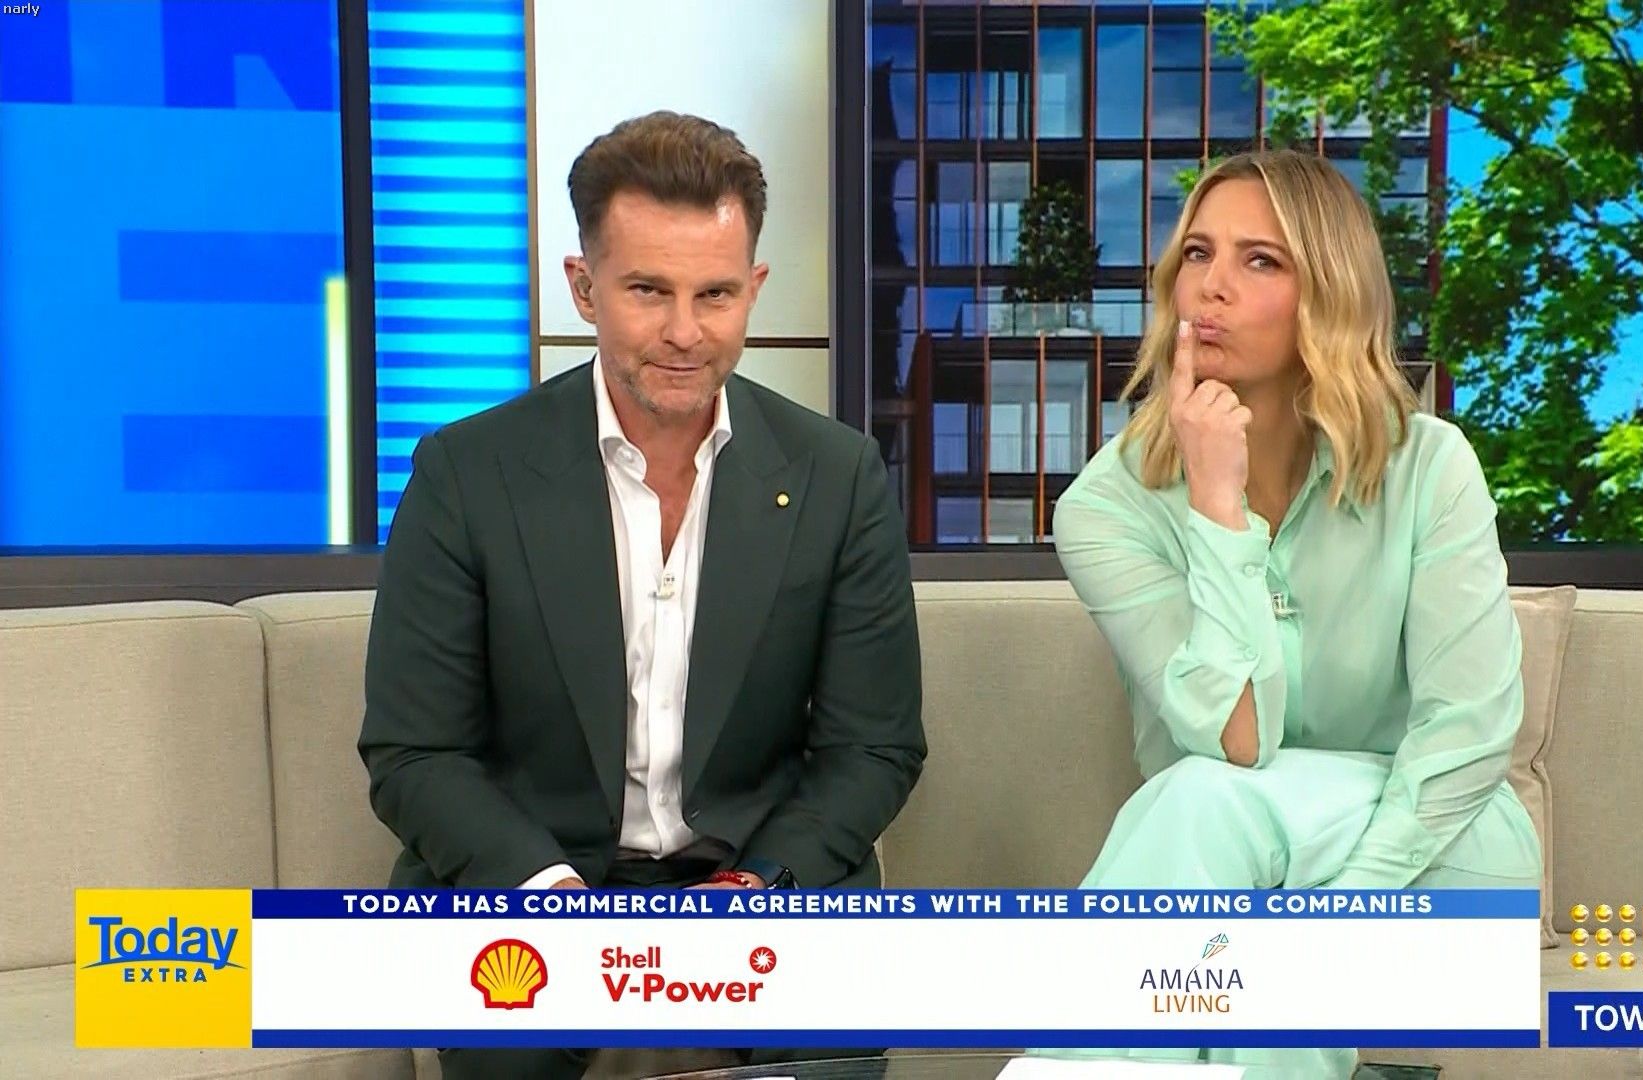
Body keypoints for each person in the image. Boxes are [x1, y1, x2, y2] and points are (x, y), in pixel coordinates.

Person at [358, 111, 925, 1080]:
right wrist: (551, 896)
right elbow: (415, 753)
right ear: (584, 287)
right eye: (648, 291)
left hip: (756, 874)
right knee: (509, 1039)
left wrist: (752, 887)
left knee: (832, 1039)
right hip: (536, 881)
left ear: (753, 289)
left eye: (715, 295)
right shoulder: (467, 473)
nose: (684, 333)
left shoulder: (837, 478)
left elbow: (873, 748)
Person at [1046, 149, 1543, 1077]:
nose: (1212, 286)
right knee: (1218, 833)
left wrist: (1340, 909)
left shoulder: (1430, 467)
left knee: (1204, 813)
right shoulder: (1108, 509)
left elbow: (1468, 735)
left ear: (1328, 295)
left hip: (1440, 858)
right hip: (1222, 868)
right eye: (1198, 254)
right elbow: (1238, 737)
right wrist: (1216, 507)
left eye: (1260, 260)